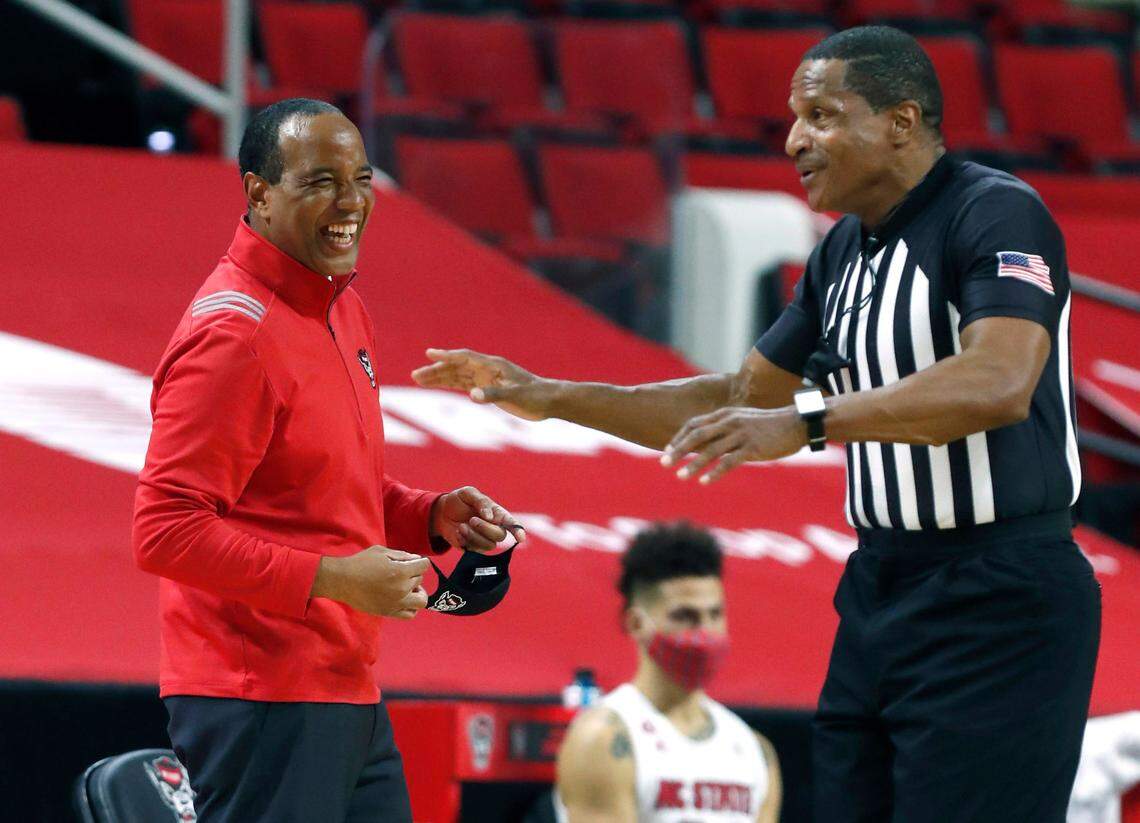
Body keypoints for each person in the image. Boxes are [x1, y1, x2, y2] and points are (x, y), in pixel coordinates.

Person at [413, 26, 1100, 823]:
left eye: (821, 115)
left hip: (1003, 591)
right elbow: (740, 392)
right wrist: (551, 394)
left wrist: (806, 423)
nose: (794, 139)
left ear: (902, 123)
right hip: (880, 586)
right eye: (792, 117)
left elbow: (999, 380)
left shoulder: (996, 214)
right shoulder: (842, 253)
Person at [132, 98, 524, 823]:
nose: (350, 202)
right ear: (259, 192)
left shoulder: (340, 308)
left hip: (343, 684)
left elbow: (322, 489)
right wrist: (337, 577)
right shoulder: (232, 337)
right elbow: (165, 529)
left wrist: (429, 516)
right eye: (320, 181)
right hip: (259, 695)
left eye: (362, 178)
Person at [555, 522, 781, 823]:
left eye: (715, 615)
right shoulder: (604, 737)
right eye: (685, 616)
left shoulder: (754, 751)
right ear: (636, 623)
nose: (704, 632)